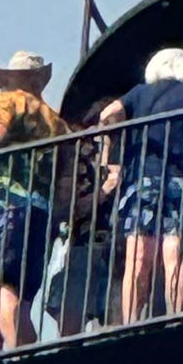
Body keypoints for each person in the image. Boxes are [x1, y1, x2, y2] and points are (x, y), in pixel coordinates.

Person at [0, 50, 70, 357]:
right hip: (41, 214)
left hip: (4, 206)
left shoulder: (5, 102)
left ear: (13, 80)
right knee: (18, 298)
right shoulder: (58, 124)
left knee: (1, 290)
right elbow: (66, 176)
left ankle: (23, 357)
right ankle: (3, 355)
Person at [100, 48, 183, 323]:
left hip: (143, 177)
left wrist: (111, 148)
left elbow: (108, 114)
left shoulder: (140, 93)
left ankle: (130, 320)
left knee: (138, 255)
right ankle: (176, 315)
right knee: (176, 253)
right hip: (180, 180)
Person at [44, 102, 121, 337]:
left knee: (117, 319)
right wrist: (105, 190)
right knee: (71, 318)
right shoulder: (78, 157)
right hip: (84, 244)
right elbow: (68, 206)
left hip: (118, 246)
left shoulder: (127, 152)